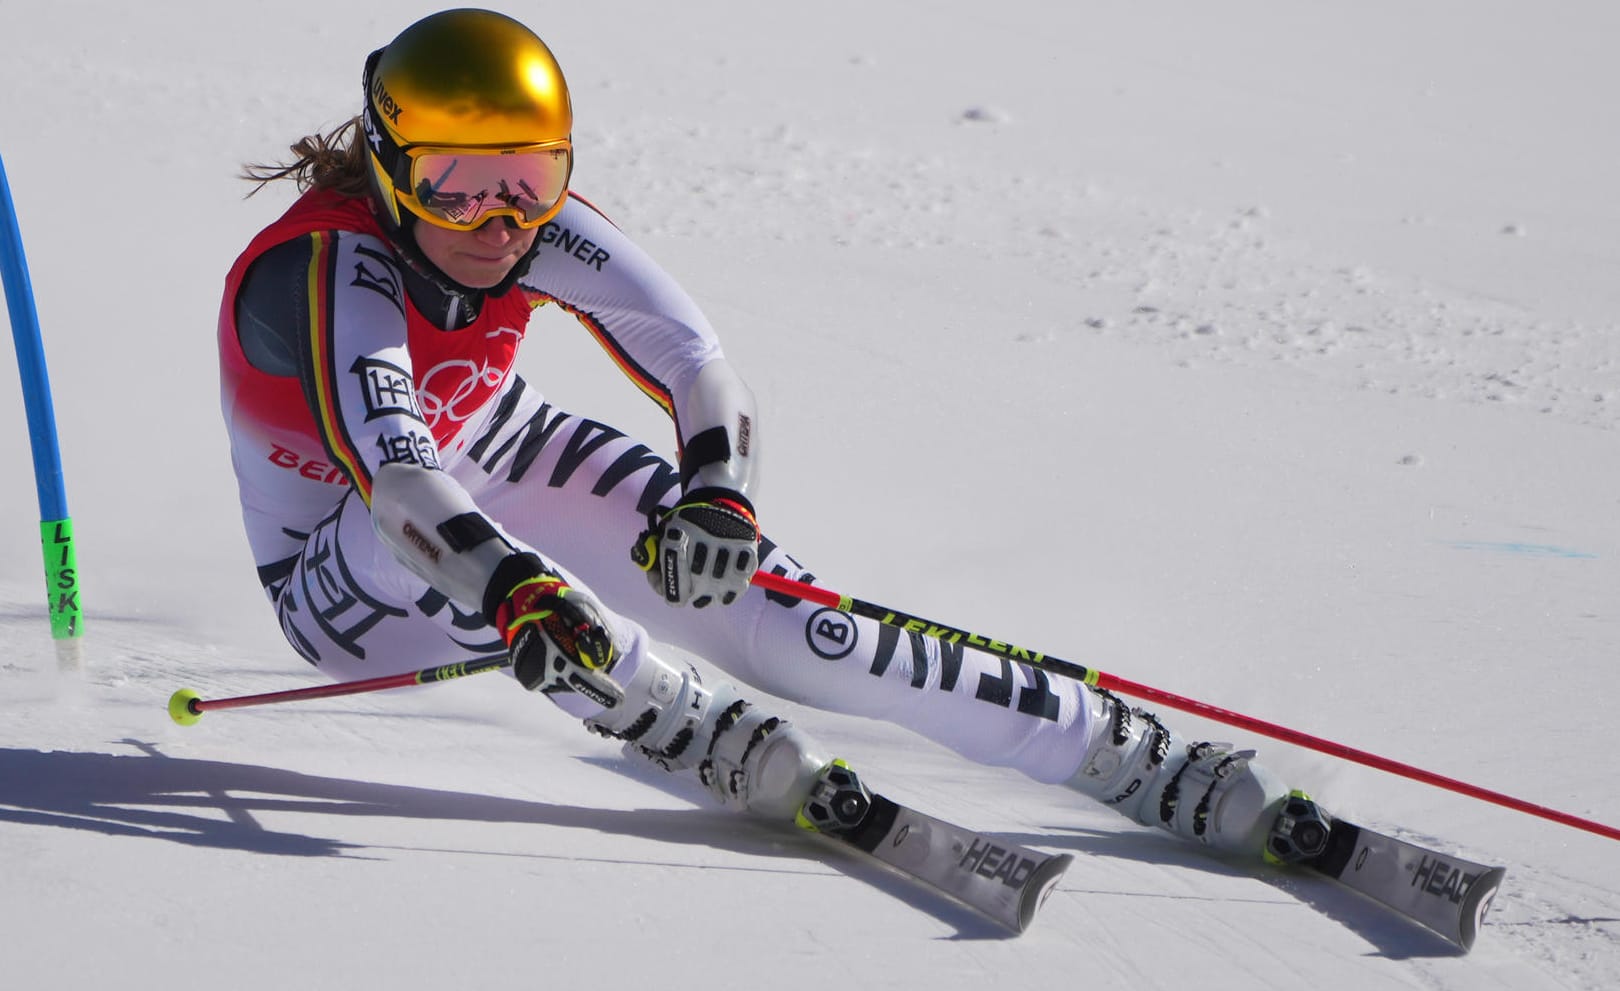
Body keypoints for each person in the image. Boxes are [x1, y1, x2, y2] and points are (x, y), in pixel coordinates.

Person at [221, 8, 1306, 859]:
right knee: (503, 583)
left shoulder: (527, 232)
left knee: (791, 622)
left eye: (531, 180)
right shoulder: (326, 269)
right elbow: (400, 481)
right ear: (390, 164)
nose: (497, 223)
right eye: (454, 187)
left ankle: (1114, 747)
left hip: (501, 454)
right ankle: (667, 709)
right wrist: (513, 587)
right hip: (347, 572)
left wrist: (719, 494)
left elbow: (695, 359)